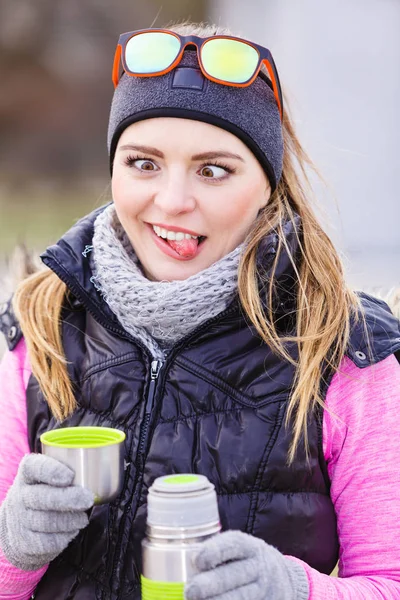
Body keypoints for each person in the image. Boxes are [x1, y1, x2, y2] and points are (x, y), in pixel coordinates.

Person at [0, 21, 400, 600]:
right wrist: (11, 549)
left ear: (268, 184)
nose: (173, 201)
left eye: (214, 170)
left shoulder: (344, 352)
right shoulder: (36, 328)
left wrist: (295, 591)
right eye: (144, 163)